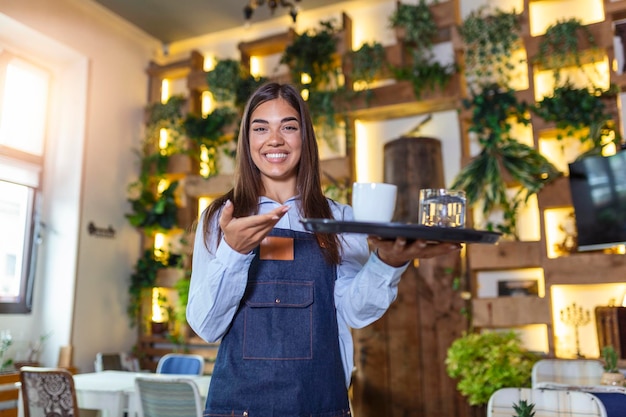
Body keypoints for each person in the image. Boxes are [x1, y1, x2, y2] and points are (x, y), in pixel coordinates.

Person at [186, 82, 461, 417]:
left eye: (288, 127)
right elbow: (206, 326)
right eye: (261, 129)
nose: (275, 139)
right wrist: (234, 251)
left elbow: (354, 311)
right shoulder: (221, 218)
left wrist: (388, 263)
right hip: (237, 407)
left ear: (305, 138)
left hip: (321, 406)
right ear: (248, 141)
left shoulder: (340, 219)